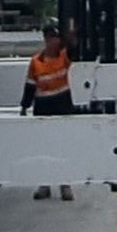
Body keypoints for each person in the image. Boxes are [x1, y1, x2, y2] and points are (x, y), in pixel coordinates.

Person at [22, 24, 76, 201]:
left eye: (55, 37)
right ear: (45, 40)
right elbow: (30, 85)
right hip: (44, 107)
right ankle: (44, 185)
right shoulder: (36, 62)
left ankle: (65, 186)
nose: (53, 41)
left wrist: (71, 26)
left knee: (63, 147)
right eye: (50, 38)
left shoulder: (64, 57)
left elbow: (74, 44)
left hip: (62, 107)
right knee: (44, 147)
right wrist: (24, 106)